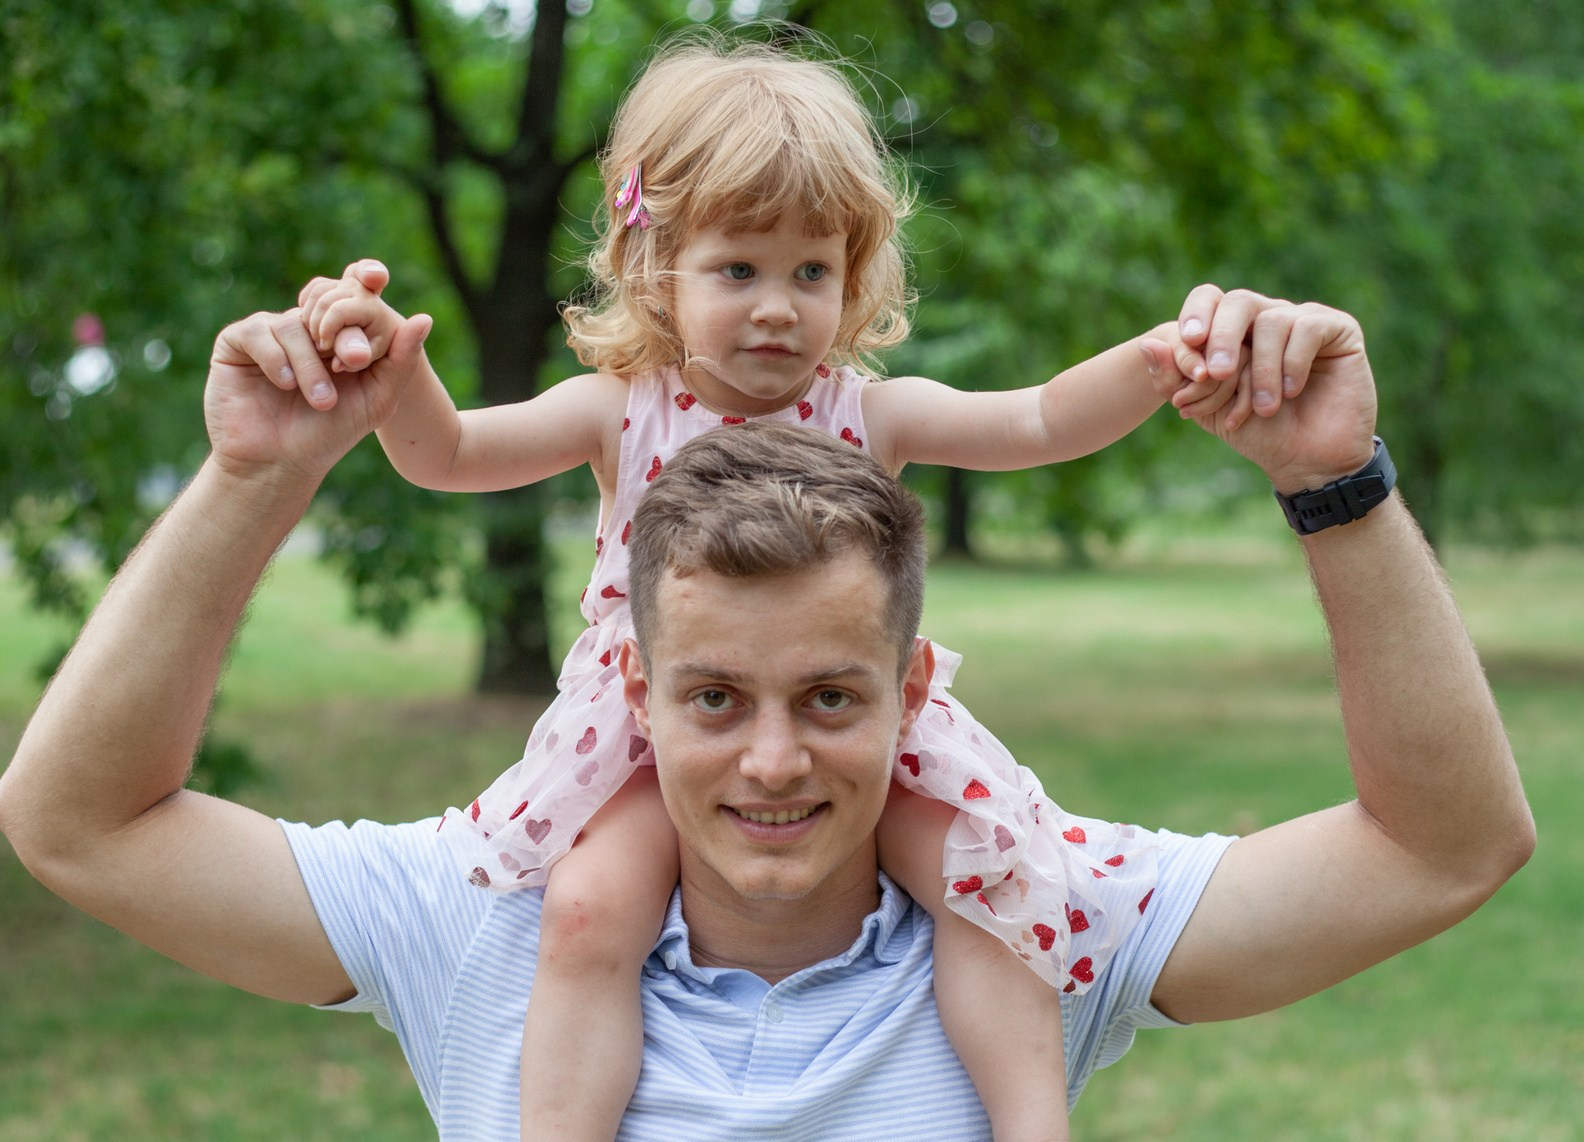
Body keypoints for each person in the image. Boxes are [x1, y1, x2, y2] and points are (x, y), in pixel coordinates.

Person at [0, 272, 1534, 1138]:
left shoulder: (1030, 907)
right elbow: (78, 819)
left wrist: (1333, 479)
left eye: (833, 694)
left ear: (918, 690)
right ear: (634, 700)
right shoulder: (485, 916)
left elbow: (1443, 849)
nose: (776, 758)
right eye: (716, 697)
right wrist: (253, 481)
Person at [293, 37, 1250, 1142]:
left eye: (812, 272)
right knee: (591, 905)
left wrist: (1156, 361)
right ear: (658, 266)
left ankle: (1032, 1124)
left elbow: (1034, 419)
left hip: (853, 732)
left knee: (992, 889)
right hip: (659, 730)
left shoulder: (868, 411)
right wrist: (395, 366)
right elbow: (448, 454)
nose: (777, 309)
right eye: (738, 269)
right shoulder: (619, 408)